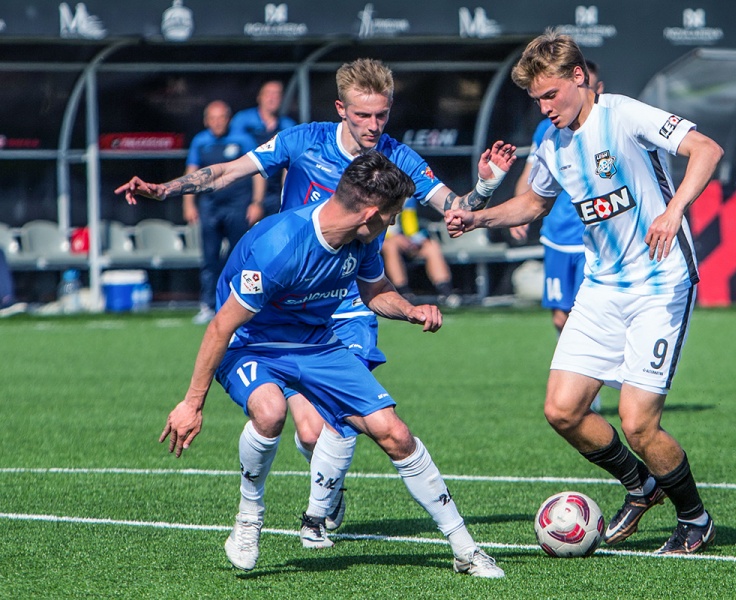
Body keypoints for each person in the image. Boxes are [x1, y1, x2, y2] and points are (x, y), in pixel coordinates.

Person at [116, 58, 515, 534]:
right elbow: (228, 172)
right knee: (308, 432)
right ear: (341, 109)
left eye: (382, 115)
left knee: (346, 420)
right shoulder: (305, 140)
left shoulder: (399, 158)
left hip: (353, 295)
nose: (374, 126)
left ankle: (316, 519)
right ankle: (325, 492)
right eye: (363, 115)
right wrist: (166, 189)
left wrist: (485, 186)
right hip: (293, 296)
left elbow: (456, 212)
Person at [158, 152, 504, 578]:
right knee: (270, 412)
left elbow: (374, 290)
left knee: (394, 433)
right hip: (252, 344)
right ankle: (249, 517)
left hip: (317, 343)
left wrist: (409, 310)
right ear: (371, 213)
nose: (394, 222)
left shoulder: (363, 238)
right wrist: (192, 404)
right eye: (392, 215)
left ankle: (465, 549)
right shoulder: (280, 246)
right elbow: (221, 327)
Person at [446, 30, 723, 555]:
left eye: (551, 95)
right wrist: (478, 216)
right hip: (601, 289)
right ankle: (641, 486)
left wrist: (674, 210)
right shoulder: (553, 142)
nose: (545, 108)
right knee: (562, 410)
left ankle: (695, 519)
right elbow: (533, 204)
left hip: (659, 283)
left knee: (639, 424)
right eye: (537, 100)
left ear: (579, 77)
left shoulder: (624, 114)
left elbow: (706, 150)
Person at [512, 60, 603, 411]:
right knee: (560, 317)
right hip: (557, 237)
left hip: (592, 239)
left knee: (589, 314)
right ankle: (579, 380)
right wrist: (519, 211)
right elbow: (532, 172)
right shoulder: (548, 130)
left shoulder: (607, 126)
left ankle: (589, 389)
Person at [182, 100, 262, 325]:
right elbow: (192, 173)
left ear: (229, 119)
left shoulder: (243, 140)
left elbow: (258, 171)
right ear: (206, 121)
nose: (217, 122)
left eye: (221, 118)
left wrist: (256, 202)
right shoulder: (200, 141)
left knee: (238, 255)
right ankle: (207, 305)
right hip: (210, 206)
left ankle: (237, 303)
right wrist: (188, 204)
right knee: (209, 257)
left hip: (238, 205)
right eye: (213, 118)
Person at [230, 80, 297, 219]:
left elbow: (291, 163)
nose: (272, 98)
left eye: (276, 94)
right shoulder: (242, 120)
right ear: (259, 97)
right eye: (269, 94)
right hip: (244, 190)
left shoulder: (289, 126)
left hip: (274, 191)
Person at [381, 197, 459, 306]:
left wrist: (414, 238)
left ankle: (446, 292)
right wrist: (392, 236)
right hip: (382, 240)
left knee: (431, 246)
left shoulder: (407, 197)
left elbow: (409, 220)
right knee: (391, 246)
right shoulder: (378, 194)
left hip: (403, 240)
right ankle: (403, 292)